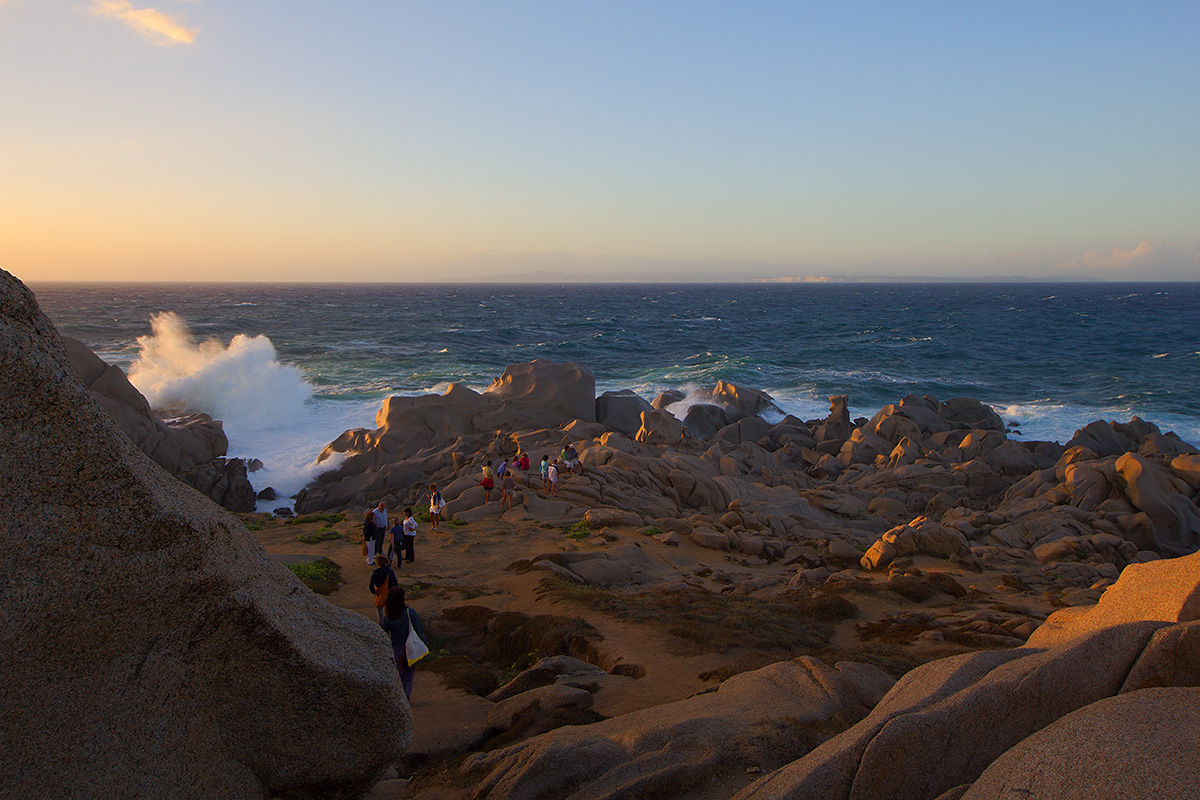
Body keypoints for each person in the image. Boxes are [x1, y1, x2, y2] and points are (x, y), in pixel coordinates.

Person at [381, 586, 425, 699]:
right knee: (409, 674)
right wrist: (424, 643)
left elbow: (383, 634)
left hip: (397, 648)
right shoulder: (410, 612)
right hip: (411, 647)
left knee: (398, 675)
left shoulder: (387, 616)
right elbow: (418, 630)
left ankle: (399, 699)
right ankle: (406, 696)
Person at [368, 555, 397, 625]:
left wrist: (374, 592)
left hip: (380, 593)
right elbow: (395, 583)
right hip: (389, 592)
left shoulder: (376, 572)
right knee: (389, 609)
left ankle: (382, 623)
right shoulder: (390, 571)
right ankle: (389, 622)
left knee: (379, 609)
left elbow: (371, 585)